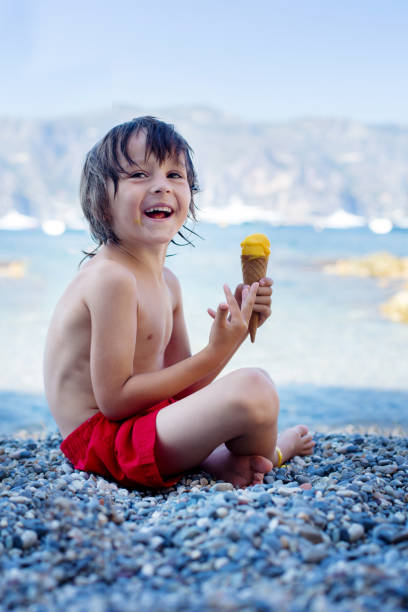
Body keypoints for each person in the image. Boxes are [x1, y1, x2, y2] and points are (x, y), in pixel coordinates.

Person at [43, 116, 315, 489]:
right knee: (255, 389)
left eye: (175, 175)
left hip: (142, 422)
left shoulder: (166, 282)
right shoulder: (112, 279)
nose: (162, 187)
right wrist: (214, 352)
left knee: (260, 383)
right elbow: (115, 402)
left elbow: (185, 390)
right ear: (102, 203)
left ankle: (228, 463)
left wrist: (236, 330)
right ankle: (265, 456)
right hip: (103, 442)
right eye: (139, 175)